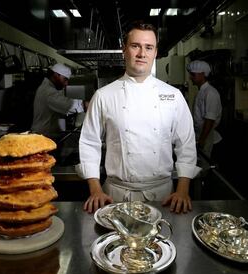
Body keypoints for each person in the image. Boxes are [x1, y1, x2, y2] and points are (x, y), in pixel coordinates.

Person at [76, 21, 201, 214]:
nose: (142, 54)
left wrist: (183, 190)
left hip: (163, 196)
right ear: (124, 50)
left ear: (155, 52)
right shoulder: (103, 95)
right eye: (135, 46)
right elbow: (89, 144)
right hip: (115, 196)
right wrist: (96, 190)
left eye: (148, 47)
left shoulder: (173, 95)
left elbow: (186, 144)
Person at [31, 63, 84, 139]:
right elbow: (69, 105)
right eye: (65, 79)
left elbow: (63, 94)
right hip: (42, 137)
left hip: (46, 135)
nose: (66, 84)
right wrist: (85, 104)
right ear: (56, 75)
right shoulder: (48, 91)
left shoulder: (50, 87)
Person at [187, 60, 222, 158]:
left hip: (207, 137)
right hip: (200, 135)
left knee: (206, 166)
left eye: (193, 75)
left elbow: (210, 119)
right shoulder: (201, 92)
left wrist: (202, 140)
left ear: (202, 74)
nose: (190, 77)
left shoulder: (211, 93)